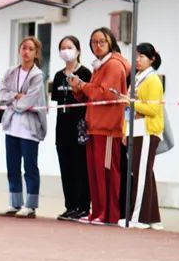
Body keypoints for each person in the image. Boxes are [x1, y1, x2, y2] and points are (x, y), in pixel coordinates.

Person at [70, 28, 130, 225]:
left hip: (108, 128)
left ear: (110, 43)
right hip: (94, 126)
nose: (97, 45)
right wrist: (78, 89)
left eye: (101, 42)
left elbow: (107, 94)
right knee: (94, 173)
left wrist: (83, 85)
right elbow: (92, 94)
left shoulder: (113, 65)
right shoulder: (99, 66)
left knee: (107, 173)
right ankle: (97, 211)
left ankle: (109, 213)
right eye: (94, 42)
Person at [0, 37, 48, 218]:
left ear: (36, 53)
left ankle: (31, 205)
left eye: (30, 49)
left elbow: (30, 100)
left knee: (30, 166)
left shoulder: (37, 75)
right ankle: (15, 202)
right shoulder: (11, 72)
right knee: (12, 165)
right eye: (24, 48)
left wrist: (16, 101)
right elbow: (1, 94)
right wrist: (15, 96)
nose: (26, 52)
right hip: (11, 125)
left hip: (29, 127)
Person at [117, 43, 164, 230]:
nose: (138, 59)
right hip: (135, 131)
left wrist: (131, 102)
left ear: (152, 59)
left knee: (141, 175)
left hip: (146, 132)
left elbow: (153, 108)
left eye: (142, 56)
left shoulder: (152, 80)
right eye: (136, 56)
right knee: (144, 173)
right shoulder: (137, 78)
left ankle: (137, 218)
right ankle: (151, 217)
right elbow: (128, 109)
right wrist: (124, 130)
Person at [50, 36, 92, 221]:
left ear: (78, 51)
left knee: (79, 165)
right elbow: (57, 100)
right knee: (65, 166)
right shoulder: (59, 75)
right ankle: (70, 205)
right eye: (63, 47)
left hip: (79, 125)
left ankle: (83, 206)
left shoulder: (85, 73)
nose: (66, 50)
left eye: (70, 47)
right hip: (62, 125)